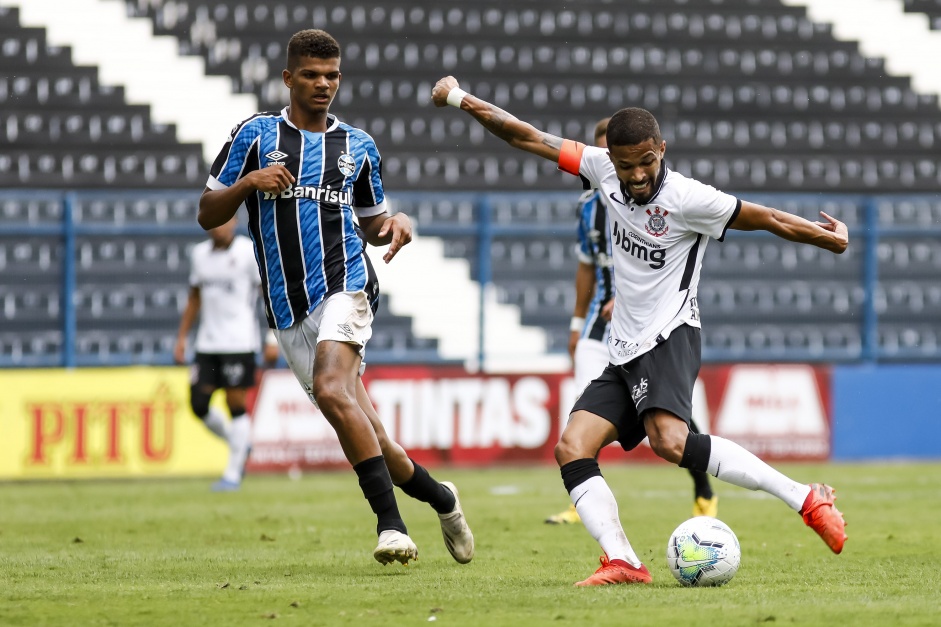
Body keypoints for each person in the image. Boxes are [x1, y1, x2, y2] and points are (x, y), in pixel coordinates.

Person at [433, 76, 847, 586]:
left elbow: (766, 217)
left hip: (670, 334)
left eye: (645, 162)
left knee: (670, 442)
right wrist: (459, 98)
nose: (635, 175)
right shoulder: (600, 167)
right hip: (624, 347)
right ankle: (623, 560)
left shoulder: (689, 198)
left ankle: (806, 498)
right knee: (572, 446)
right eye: (625, 165)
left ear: (661, 150)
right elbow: (526, 136)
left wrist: (830, 241)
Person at [197, 29, 473, 567]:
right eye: (311, 75)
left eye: (332, 76)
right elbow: (208, 212)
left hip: (347, 284)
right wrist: (249, 182)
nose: (323, 84)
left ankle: (390, 528)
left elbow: (372, 225)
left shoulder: (358, 146)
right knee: (374, 437)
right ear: (288, 78)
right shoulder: (253, 135)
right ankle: (444, 499)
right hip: (287, 309)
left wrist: (398, 223)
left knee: (330, 386)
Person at [545, 118, 717, 525]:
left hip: (643, 321)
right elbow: (586, 267)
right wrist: (574, 324)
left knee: (666, 419)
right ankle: (582, 495)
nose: (630, 173)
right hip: (598, 324)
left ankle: (703, 488)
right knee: (584, 406)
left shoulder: (659, 204)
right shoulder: (589, 210)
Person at [174, 216, 260, 492]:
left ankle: (232, 474)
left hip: (239, 341)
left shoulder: (247, 251)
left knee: (235, 404)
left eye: (224, 221)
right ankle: (239, 445)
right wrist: (182, 337)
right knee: (198, 403)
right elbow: (194, 297)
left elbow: (268, 291)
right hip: (207, 343)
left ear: (234, 221)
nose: (218, 226)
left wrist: (271, 335)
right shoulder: (199, 255)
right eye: (213, 222)